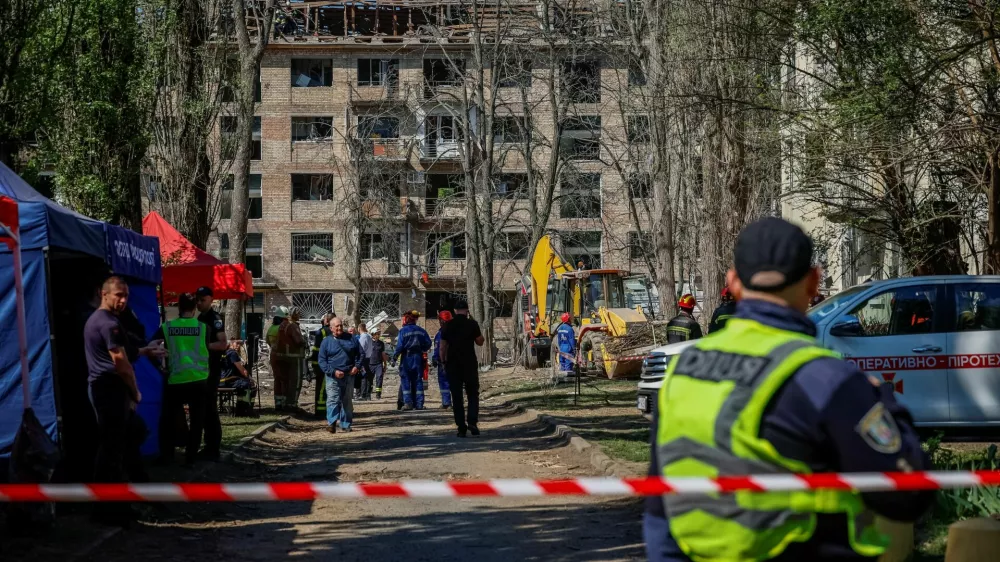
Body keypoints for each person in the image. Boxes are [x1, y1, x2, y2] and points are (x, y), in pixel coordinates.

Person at [644, 217, 932, 562]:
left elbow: (659, 512)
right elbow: (908, 495)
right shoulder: (826, 379)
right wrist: (883, 400)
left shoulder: (684, 371)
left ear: (733, 282)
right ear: (813, 282)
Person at [83, 276, 164, 524]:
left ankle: (136, 495)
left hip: (107, 388)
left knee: (132, 436)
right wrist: (134, 392)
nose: (123, 300)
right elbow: (121, 364)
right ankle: (109, 510)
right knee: (111, 451)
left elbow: (124, 353)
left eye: (126, 295)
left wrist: (144, 350)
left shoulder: (105, 321)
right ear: (103, 293)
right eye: (118, 295)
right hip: (110, 390)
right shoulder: (108, 323)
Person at [155, 293, 210, 465]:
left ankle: (167, 455)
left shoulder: (166, 327)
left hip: (175, 380)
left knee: (168, 419)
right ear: (194, 309)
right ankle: (191, 457)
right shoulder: (204, 328)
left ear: (179, 307)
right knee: (197, 420)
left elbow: (151, 347)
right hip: (198, 380)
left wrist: (160, 367)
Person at [439, 298, 484, 437]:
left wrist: (443, 362)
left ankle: (461, 427)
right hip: (469, 363)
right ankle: (472, 422)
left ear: (455, 311)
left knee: (457, 396)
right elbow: (480, 342)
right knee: (472, 394)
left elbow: (442, 347)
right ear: (467, 310)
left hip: (453, 364)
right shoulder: (472, 324)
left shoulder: (448, 325)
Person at [195, 286, 228, 461]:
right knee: (204, 409)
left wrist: (203, 347)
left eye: (203, 300)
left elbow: (223, 344)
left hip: (211, 370)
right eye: (197, 300)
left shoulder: (214, 318)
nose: (199, 303)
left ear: (211, 300)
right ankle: (208, 445)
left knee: (210, 409)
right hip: (201, 370)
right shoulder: (200, 317)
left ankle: (213, 447)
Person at [318, 317, 362, 433]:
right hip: (333, 376)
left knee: (347, 401)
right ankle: (331, 424)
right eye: (337, 326)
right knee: (333, 399)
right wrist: (333, 372)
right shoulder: (326, 342)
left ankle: (345, 425)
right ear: (331, 328)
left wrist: (356, 367)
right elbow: (322, 361)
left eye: (341, 325)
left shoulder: (351, 339)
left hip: (349, 375)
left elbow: (360, 354)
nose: (339, 328)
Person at [392, 311, 432, 411]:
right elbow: (428, 343)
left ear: (406, 319)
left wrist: (394, 357)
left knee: (405, 380)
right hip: (418, 358)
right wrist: (422, 349)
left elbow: (399, 346)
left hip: (407, 358)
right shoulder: (421, 330)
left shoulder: (403, 331)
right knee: (418, 380)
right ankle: (419, 404)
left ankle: (408, 403)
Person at [272, 307, 306, 411]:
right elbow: (298, 341)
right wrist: (305, 341)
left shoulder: (282, 325)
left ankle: (281, 403)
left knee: (281, 380)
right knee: (295, 381)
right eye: (298, 313)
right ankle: (292, 404)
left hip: (281, 357)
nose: (299, 315)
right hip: (294, 357)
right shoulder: (293, 326)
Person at [220, 339, 258, 418]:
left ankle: (241, 409)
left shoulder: (223, 353)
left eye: (239, 344)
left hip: (219, 381)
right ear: (231, 344)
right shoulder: (233, 353)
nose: (238, 346)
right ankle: (246, 410)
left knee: (243, 384)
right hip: (228, 381)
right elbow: (242, 370)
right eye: (236, 343)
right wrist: (251, 379)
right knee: (249, 385)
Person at [311, 313, 335, 418]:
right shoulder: (337, 332)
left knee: (321, 388)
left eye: (324, 318)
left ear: (327, 320)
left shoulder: (321, 332)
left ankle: (320, 411)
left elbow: (316, 350)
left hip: (321, 364)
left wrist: (313, 364)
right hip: (333, 364)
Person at [431, 311, 453, 409]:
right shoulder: (457, 332)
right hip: (455, 361)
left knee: (444, 382)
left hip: (444, 362)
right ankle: (452, 402)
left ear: (442, 320)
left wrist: (436, 358)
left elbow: (439, 348)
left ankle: (447, 402)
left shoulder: (440, 334)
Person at [357, 322, 377, 400]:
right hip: (368, 358)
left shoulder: (363, 337)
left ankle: (363, 395)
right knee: (368, 377)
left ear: (359, 329)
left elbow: (361, 348)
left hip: (363, 358)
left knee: (363, 377)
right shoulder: (369, 336)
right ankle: (368, 395)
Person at [371, 327, 388, 399]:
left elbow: (383, 354)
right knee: (369, 379)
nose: (378, 335)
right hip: (370, 364)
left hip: (379, 364)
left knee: (379, 378)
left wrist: (385, 364)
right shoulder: (369, 342)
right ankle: (368, 393)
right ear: (373, 334)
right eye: (377, 334)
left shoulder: (381, 343)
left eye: (379, 334)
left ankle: (378, 394)